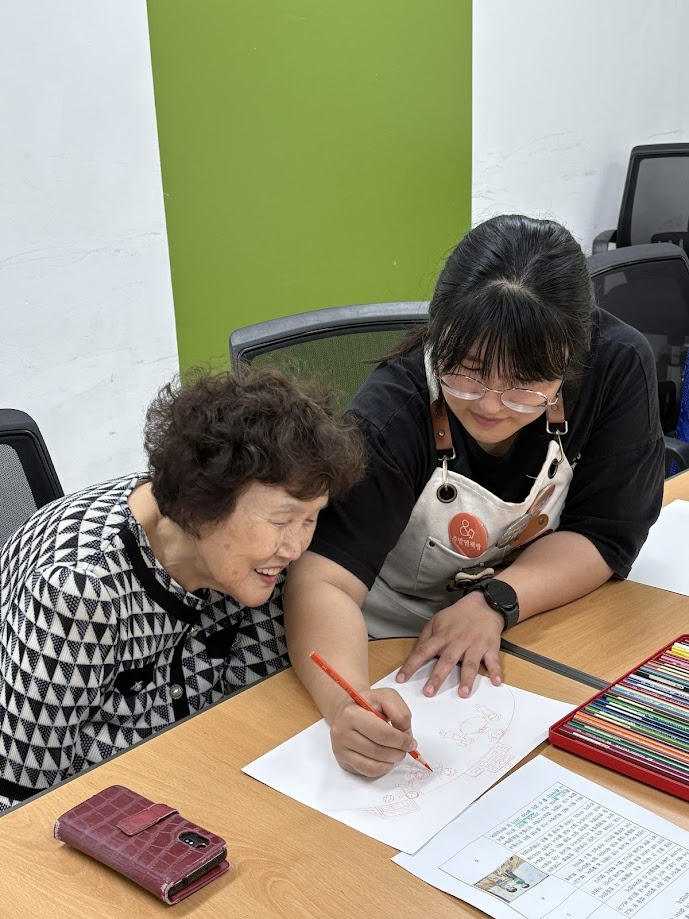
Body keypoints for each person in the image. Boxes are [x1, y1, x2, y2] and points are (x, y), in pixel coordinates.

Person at [284, 213, 665, 778]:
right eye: (467, 372)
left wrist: (497, 600)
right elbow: (322, 580)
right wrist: (348, 703)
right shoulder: (392, 415)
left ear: (571, 359)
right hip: (383, 641)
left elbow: (605, 532)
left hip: (515, 626)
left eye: (525, 385)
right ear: (439, 334)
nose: (489, 405)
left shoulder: (616, 365)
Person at [0, 366, 365, 809]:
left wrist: (353, 715)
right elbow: (20, 804)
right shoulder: (78, 594)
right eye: (281, 520)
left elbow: (266, 708)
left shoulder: (252, 562)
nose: (295, 547)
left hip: (201, 787)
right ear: (199, 506)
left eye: (310, 518)